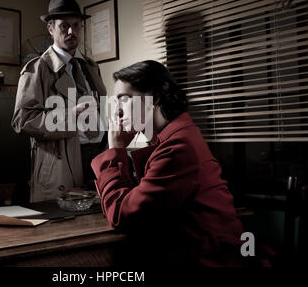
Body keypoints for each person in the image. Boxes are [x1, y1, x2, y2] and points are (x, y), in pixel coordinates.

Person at [91, 60, 251, 266]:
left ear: (154, 98)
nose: (117, 112)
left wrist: (115, 151)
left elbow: (122, 215)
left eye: (124, 99)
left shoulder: (178, 147)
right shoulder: (176, 136)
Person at [12, 0, 107, 202]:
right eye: (64, 26)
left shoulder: (92, 67)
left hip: (98, 159)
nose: (72, 31)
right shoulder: (37, 69)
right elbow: (23, 121)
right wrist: (70, 115)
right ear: (51, 28)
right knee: (65, 227)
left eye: (76, 25)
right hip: (61, 163)